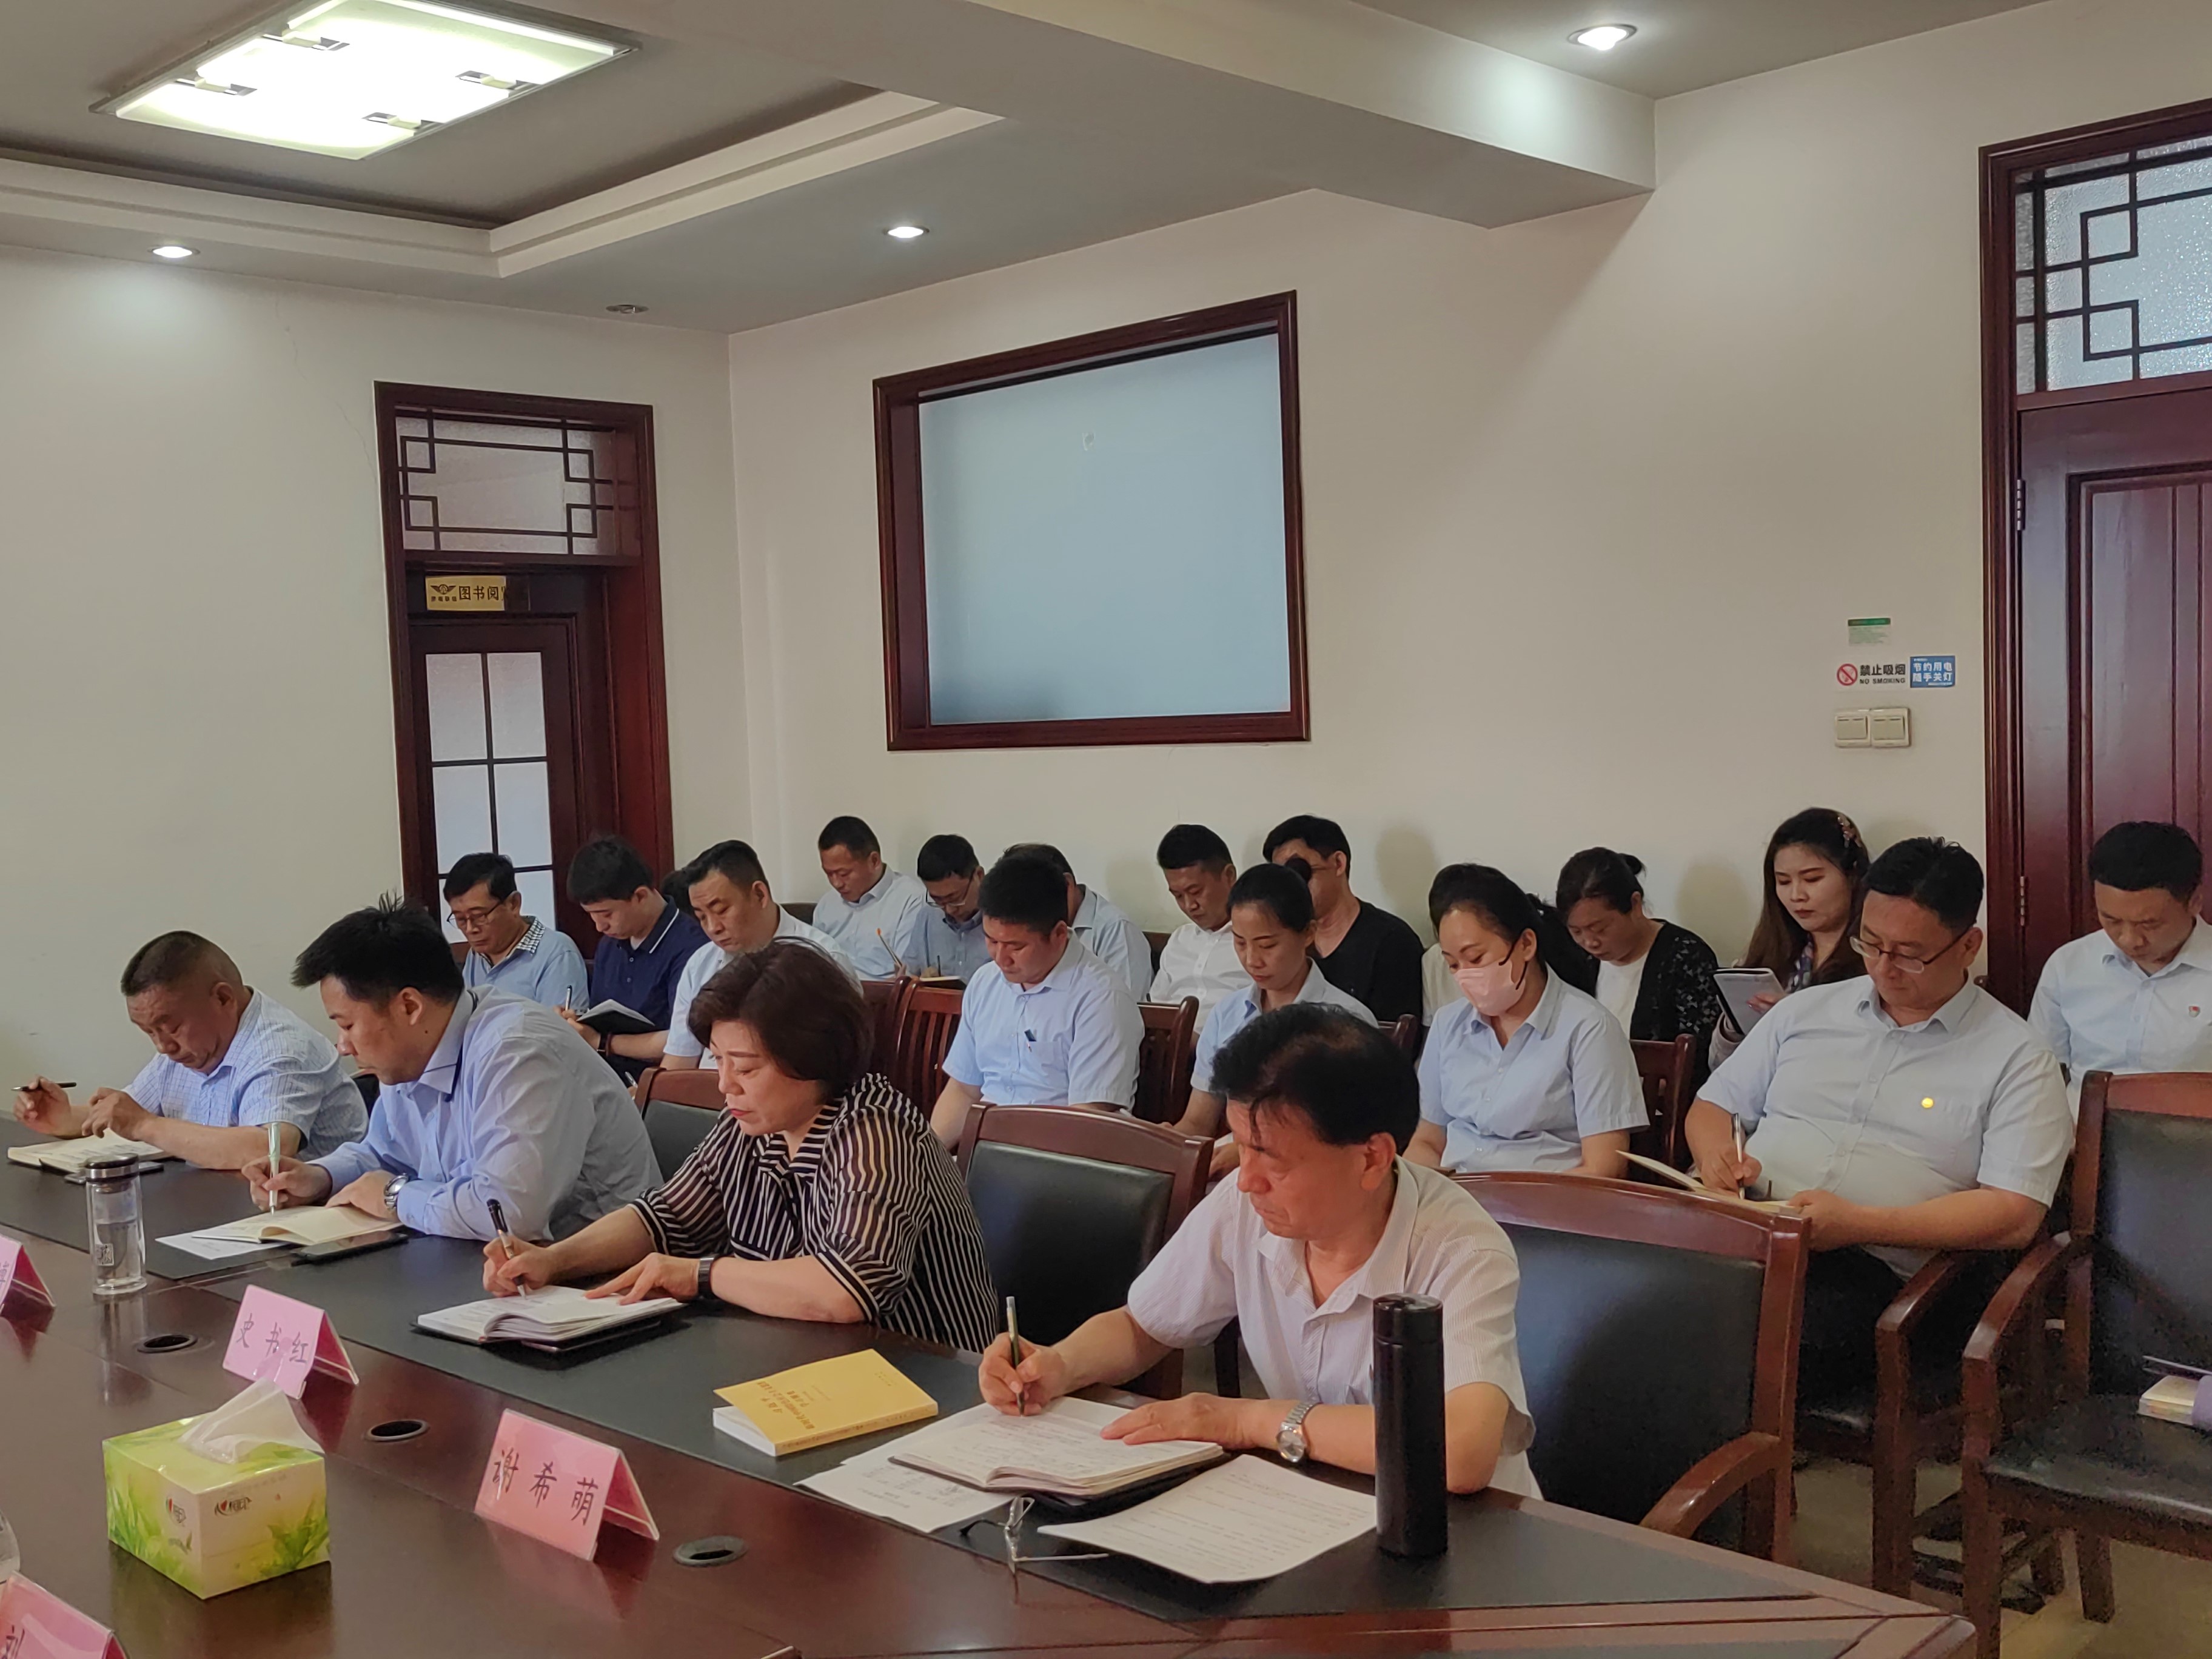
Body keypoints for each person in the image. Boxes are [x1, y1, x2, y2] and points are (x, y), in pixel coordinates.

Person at [979, 1004, 1538, 1497]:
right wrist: (1058, 1366)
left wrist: (1246, 1421)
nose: (1247, 1180)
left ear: (1371, 1158)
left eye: (1271, 1157)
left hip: (1462, 1529)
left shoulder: (1461, 1247)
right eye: (1241, 1147)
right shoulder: (1246, 1204)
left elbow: (1459, 1451)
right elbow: (1144, 1326)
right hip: (1311, 1500)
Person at [1684, 838, 2073, 1403]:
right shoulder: (1805, 1011)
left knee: (1724, 1348)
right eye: (1870, 943)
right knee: (1627, 1308)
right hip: (1748, 1232)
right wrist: (1717, 1159)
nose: (1884, 968)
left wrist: (1861, 1223)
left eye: (1909, 954)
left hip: (1880, 1273)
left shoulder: (2018, 1057)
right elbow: (1713, 1107)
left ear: (1968, 945)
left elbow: (2014, 1213)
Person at [483, 941, 999, 1349]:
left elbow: (845, 1291)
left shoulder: (876, 1132)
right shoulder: (753, 1123)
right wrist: (554, 1261)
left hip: (925, 1376)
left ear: (812, 1057)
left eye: (746, 1068)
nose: (725, 1083)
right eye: (719, 1059)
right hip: (800, 1357)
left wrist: (703, 1274)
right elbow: (664, 1218)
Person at [247, 900, 658, 1241]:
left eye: (348, 1025)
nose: (343, 1046)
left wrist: (394, 1197)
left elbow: (508, 1214)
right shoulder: (410, 1054)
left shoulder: (518, 1053)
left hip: (598, 1277)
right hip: (484, 1263)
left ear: (409, 1006)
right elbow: (384, 1153)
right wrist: (318, 1176)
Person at [14, 931, 364, 1169]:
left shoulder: (282, 1049)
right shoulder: (187, 1050)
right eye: (148, 1032)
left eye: (171, 1027)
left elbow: (269, 1149)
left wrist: (146, 1125)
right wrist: (62, 1118)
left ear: (223, 998)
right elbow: (129, 1115)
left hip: (313, 1225)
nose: (163, 1046)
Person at [1409, 865, 1644, 1179]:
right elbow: (1427, 1140)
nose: (1465, 975)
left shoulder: (1589, 1029)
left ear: (1526, 945)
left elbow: (1604, 1167)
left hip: (1546, 1199)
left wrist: (1516, 1201)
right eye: (1453, 964)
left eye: (1476, 958)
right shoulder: (1448, 1023)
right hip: (1456, 1196)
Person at [1172, 863, 1375, 1175]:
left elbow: (1352, 1135)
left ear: (1308, 933)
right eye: (1240, 942)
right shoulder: (1228, 1014)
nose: (1252, 959)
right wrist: (1163, 1144)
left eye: (1267, 945)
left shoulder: (1346, 1020)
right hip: (1230, 1172)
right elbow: (1197, 1121)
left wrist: (1248, 1152)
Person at [930, 853, 1143, 1145]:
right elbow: (964, 1090)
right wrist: (928, 1157)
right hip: (986, 1148)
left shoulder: (1101, 999)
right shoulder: (985, 982)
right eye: (992, 940)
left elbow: (1088, 1119)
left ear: (1058, 934)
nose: (1001, 958)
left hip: (1057, 1154)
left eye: (1015, 946)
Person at [2031, 820, 2212, 1107]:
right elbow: (2039, 1072)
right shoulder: (2069, 965)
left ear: (2195, 902)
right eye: (2111, 920)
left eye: (2149, 924)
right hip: (2080, 1131)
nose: (2129, 940)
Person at [662, 840, 858, 1071]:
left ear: (759, 894)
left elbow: (835, 1069)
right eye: (702, 917)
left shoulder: (822, 959)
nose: (713, 928)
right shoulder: (700, 964)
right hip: (704, 1091)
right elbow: (679, 1062)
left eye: (721, 910)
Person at [1713, 808, 1870, 1065]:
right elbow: (1720, 1067)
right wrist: (1734, 1025)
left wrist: (1798, 1017)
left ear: (1852, 875)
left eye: (1812, 879)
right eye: (1784, 882)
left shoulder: (1875, 958)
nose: (1797, 895)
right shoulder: (1769, 953)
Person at [1557, 847, 1724, 1085]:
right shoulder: (1576, 959)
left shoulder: (1685, 956)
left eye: (1600, 929)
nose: (1590, 942)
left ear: (1635, 904)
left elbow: (1700, 1058)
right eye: (1576, 932)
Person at [560, 835, 708, 1080]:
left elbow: (684, 1041)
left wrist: (603, 1042)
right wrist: (578, 1026)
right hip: (604, 1077)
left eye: (606, 914)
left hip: (658, 1081)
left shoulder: (692, 947)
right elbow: (600, 1019)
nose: (599, 926)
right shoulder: (609, 945)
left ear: (640, 896)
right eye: (591, 915)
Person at [1262, 816, 1424, 1022]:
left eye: (1299, 873)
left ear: (1338, 863)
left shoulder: (1391, 942)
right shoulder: (1286, 942)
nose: (1291, 890)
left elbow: (1397, 1036)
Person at [1003, 842, 1151, 999]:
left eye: (1033, 902)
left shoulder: (1116, 930)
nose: (1027, 916)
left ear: (1067, 885)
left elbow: (1126, 1005)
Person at [444, 852, 589, 1011]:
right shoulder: (477, 955)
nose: (470, 929)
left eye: (479, 916)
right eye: (461, 919)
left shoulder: (557, 954)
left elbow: (563, 1026)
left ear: (513, 904)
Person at [1149, 823, 1249, 1019]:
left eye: (1196, 892)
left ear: (1229, 876)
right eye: (1178, 896)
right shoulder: (1180, 940)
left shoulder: (1255, 944)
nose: (1189, 906)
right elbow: (1156, 1006)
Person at [811, 816, 928, 980]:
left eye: (844, 874)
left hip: (881, 994)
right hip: (831, 991)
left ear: (874, 861)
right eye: (829, 874)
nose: (836, 883)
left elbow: (906, 976)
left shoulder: (911, 900)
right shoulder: (827, 904)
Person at [899, 833, 992, 981]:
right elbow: (910, 973)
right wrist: (917, 982)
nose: (949, 910)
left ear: (979, 876)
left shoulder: (1004, 920)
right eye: (937, 900)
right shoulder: (928, 917)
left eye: (955, 899)